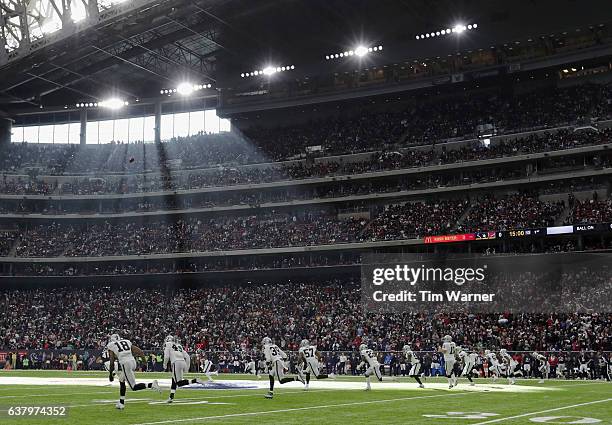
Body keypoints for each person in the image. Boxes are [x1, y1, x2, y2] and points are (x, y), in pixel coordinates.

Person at [106, 333, 161, 410]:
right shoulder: (126, 341)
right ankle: (121, 403)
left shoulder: (111, 345)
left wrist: (110, 374)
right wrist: (144, 363)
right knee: (121, 380)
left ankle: (151, 385)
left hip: (126, 364)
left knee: (133, 387)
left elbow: (111, 362)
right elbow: (140, 352)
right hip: (133, 362)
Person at [163, 335, 203, 403]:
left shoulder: (167, 344)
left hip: (176, 363)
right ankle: (171, 397)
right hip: (182, 362)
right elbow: (187, 356)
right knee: (174, 381)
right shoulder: (179, 345)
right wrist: (187, 367)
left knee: (178, 383)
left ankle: (195, 380)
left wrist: (165, 364)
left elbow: (166, 356)